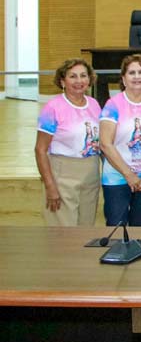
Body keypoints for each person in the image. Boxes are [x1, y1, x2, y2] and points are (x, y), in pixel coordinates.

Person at [99, 54, 141, 227]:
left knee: (140, 227)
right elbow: (105, 144)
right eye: (132, 73)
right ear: (123, 78)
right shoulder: (113, 104)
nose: (137, 77)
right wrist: (129, 174)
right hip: (118, 177)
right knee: (116, 227)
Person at [34, 58, 101, 226]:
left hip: (90, 175)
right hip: (62, 175)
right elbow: (40, 149)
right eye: (73, 76)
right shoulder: (52, 107)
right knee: (63, 236)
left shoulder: (94, 104)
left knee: (86, 230)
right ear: (63, 81)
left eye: (83, 76)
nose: (79, 81)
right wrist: (50, 186)